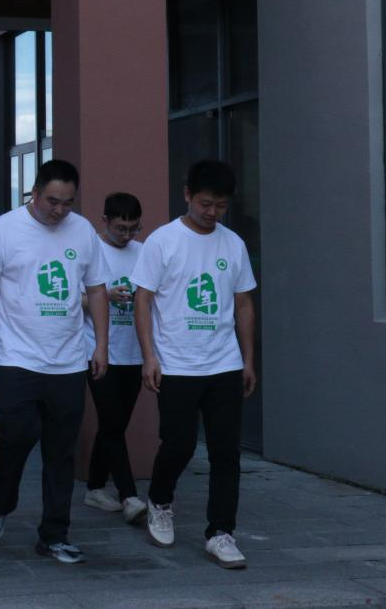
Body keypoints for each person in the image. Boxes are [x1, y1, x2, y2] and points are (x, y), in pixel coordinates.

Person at [0, 159, 110, 563]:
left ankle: (54, 534)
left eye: (67, 203)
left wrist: (101, 346)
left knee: (61, 451)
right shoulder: (5, 229)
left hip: (69, 361)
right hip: (18, 357)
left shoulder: (82, 231)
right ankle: (1, 503)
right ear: (34, 193)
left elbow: (97, 291)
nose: (59, 210)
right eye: (52, 201)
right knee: (15, 436)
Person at [133, 160, 257, 570]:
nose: (212, 212)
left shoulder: (233, 244)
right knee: (180, 444)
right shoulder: (162, 241)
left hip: (223, 363)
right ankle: (159, 500)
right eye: (205, 203)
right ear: (187, 194)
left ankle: (221, 532)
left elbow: (243, 303)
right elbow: (143, 300)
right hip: (176, 364)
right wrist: (149, 356)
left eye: (220, 206)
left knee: (226, 452)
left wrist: (247, 359)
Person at [81, 193, 149, 524]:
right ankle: (129, 495)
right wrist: (102, 296)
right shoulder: (89, 249)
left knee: (115, 424)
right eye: (120, 228)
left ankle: (95, 487)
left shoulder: (144, 251)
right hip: (96, 350)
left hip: (133, 352)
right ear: (105, 220)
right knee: (111, 421)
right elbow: (70, 298)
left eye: (133, 228)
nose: (126, 235)